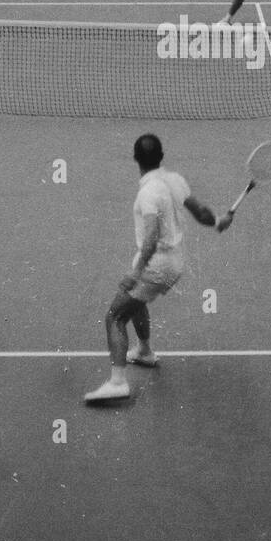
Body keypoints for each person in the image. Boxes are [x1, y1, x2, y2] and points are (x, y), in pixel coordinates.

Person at [85, 134, 231, 403]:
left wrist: (136, 271)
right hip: (174, 261)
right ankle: (144, 352)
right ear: (161, 156)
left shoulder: (148, 193)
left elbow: (151, 237)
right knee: (138, 302)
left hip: (155, 266)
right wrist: (218, 221)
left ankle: (118, 382)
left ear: (135, 159)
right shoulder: (174, 181)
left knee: (115, 317)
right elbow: (200, 213)